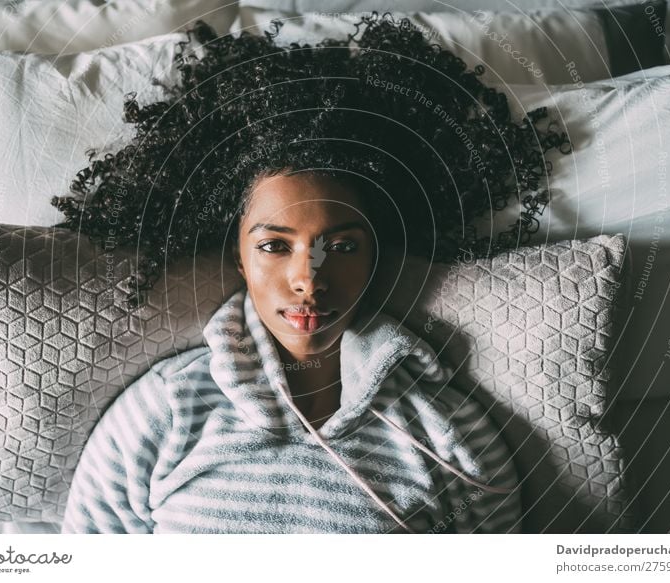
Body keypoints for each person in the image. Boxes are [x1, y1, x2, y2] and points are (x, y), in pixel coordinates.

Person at [54, 13, 569, 533]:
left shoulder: (453, 435)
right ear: (238, 255)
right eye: (275, 245)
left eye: (342, 245)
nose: (309, 278)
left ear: (376, 255)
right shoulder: (162, 411)